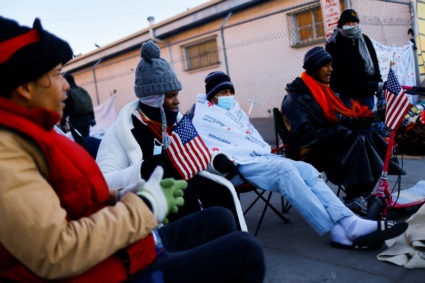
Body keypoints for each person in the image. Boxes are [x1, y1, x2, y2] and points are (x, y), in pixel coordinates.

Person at [0, 17, 266, 282]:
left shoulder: (40, 133)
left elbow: (79, 195)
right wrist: (146, 198)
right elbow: (55, 249)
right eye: (57, 74)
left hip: (126, 244)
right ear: (24, 87)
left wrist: (122, 195)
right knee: (246, 250)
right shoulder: (10, 152)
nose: (67, 84)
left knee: (219, 217)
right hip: (110, 266)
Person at [192, 71, 408, 250]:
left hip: (258, 158)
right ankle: (334, 230)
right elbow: (202, 149)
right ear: (212, 95)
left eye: (230, 91)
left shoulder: (235, 111)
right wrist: (220, 160)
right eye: (223, 91)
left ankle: (349, 221)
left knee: (305, 168)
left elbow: (252, 138)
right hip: (234, 167)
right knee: (285, 170)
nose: (228, 95)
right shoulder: (202, 116)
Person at [96, 40, 247, 229]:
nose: (177, 101)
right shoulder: (121, 131)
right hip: (157, 202)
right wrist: (144, 169)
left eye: (177, 94)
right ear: (153, 98)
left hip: (188, 189)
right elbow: (104, 183)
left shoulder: (177, 121)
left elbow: (196, 154)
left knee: (223, 196)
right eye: (170, 96)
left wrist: (216, 161)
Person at [281, 46, 403, 214]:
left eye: (331, 65)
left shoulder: (323, 90)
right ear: (313, 68)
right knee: (357, 141)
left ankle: (366, 191)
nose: (331, 69)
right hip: (309, 150)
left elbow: (335, 118)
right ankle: (355, 197)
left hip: (327, 141)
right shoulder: (295, 99)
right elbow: (304, 135)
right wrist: (337, 131)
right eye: (326, 65)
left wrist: (358, 121)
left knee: (367, 134)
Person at [325, 9, 382, 110]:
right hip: (347, 94)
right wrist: (335, 90)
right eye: (348, 22)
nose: (351, 25)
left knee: (367, 121)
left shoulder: (365, 39)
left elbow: (374, 62)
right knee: (351, 123)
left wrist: (377, 82)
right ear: (342, 24)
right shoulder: (333, 43)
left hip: (367, 90)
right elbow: (331, 69)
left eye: (354, 22)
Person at [60, 72, 95, 139]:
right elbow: (89, 104)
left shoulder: (68, 93)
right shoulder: (82, 90)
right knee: (86, 139)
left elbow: (65, 110)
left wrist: (62, 124)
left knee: (80, 142)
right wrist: (92, 118)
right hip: (86, 120)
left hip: (75, 122)